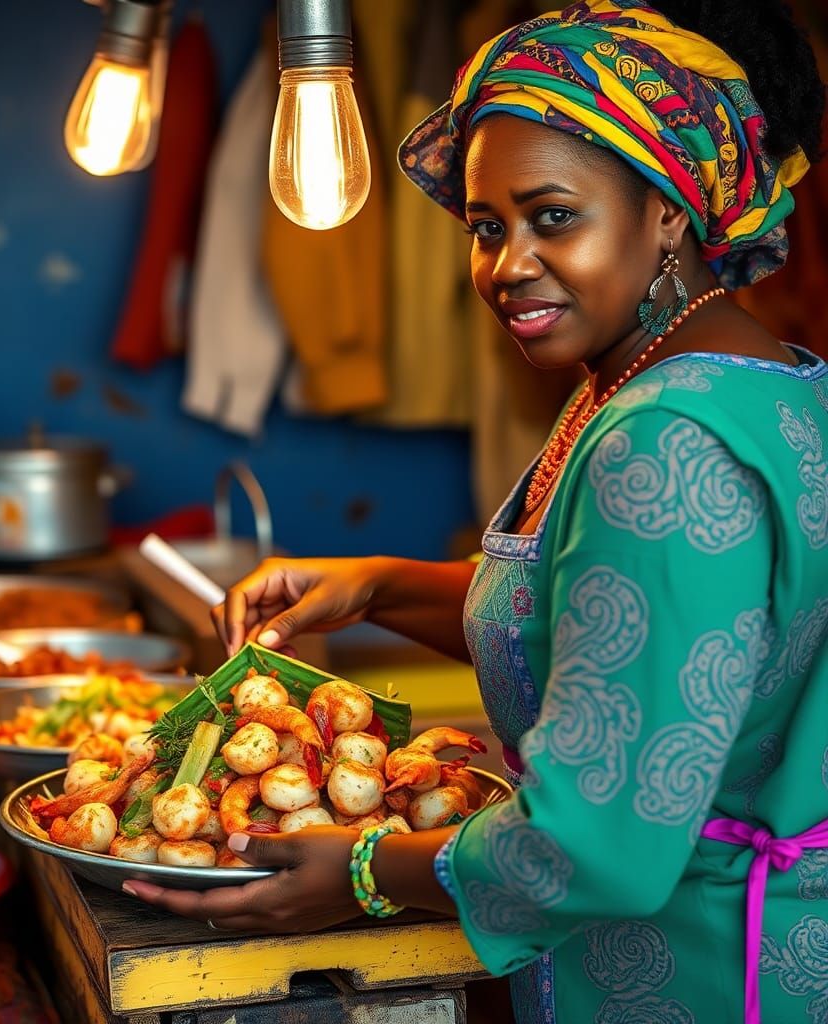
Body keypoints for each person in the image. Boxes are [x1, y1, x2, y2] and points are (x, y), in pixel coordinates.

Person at [122, 2, 828, 1020]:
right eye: (486, 228)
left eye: (553, 217)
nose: (507, 266)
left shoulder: (662, 439)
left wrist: (360, 868)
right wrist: (377, 586)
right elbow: (629, 636)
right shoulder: (751, 384)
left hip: (699, 974)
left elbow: (598, 846)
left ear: (668, 209)